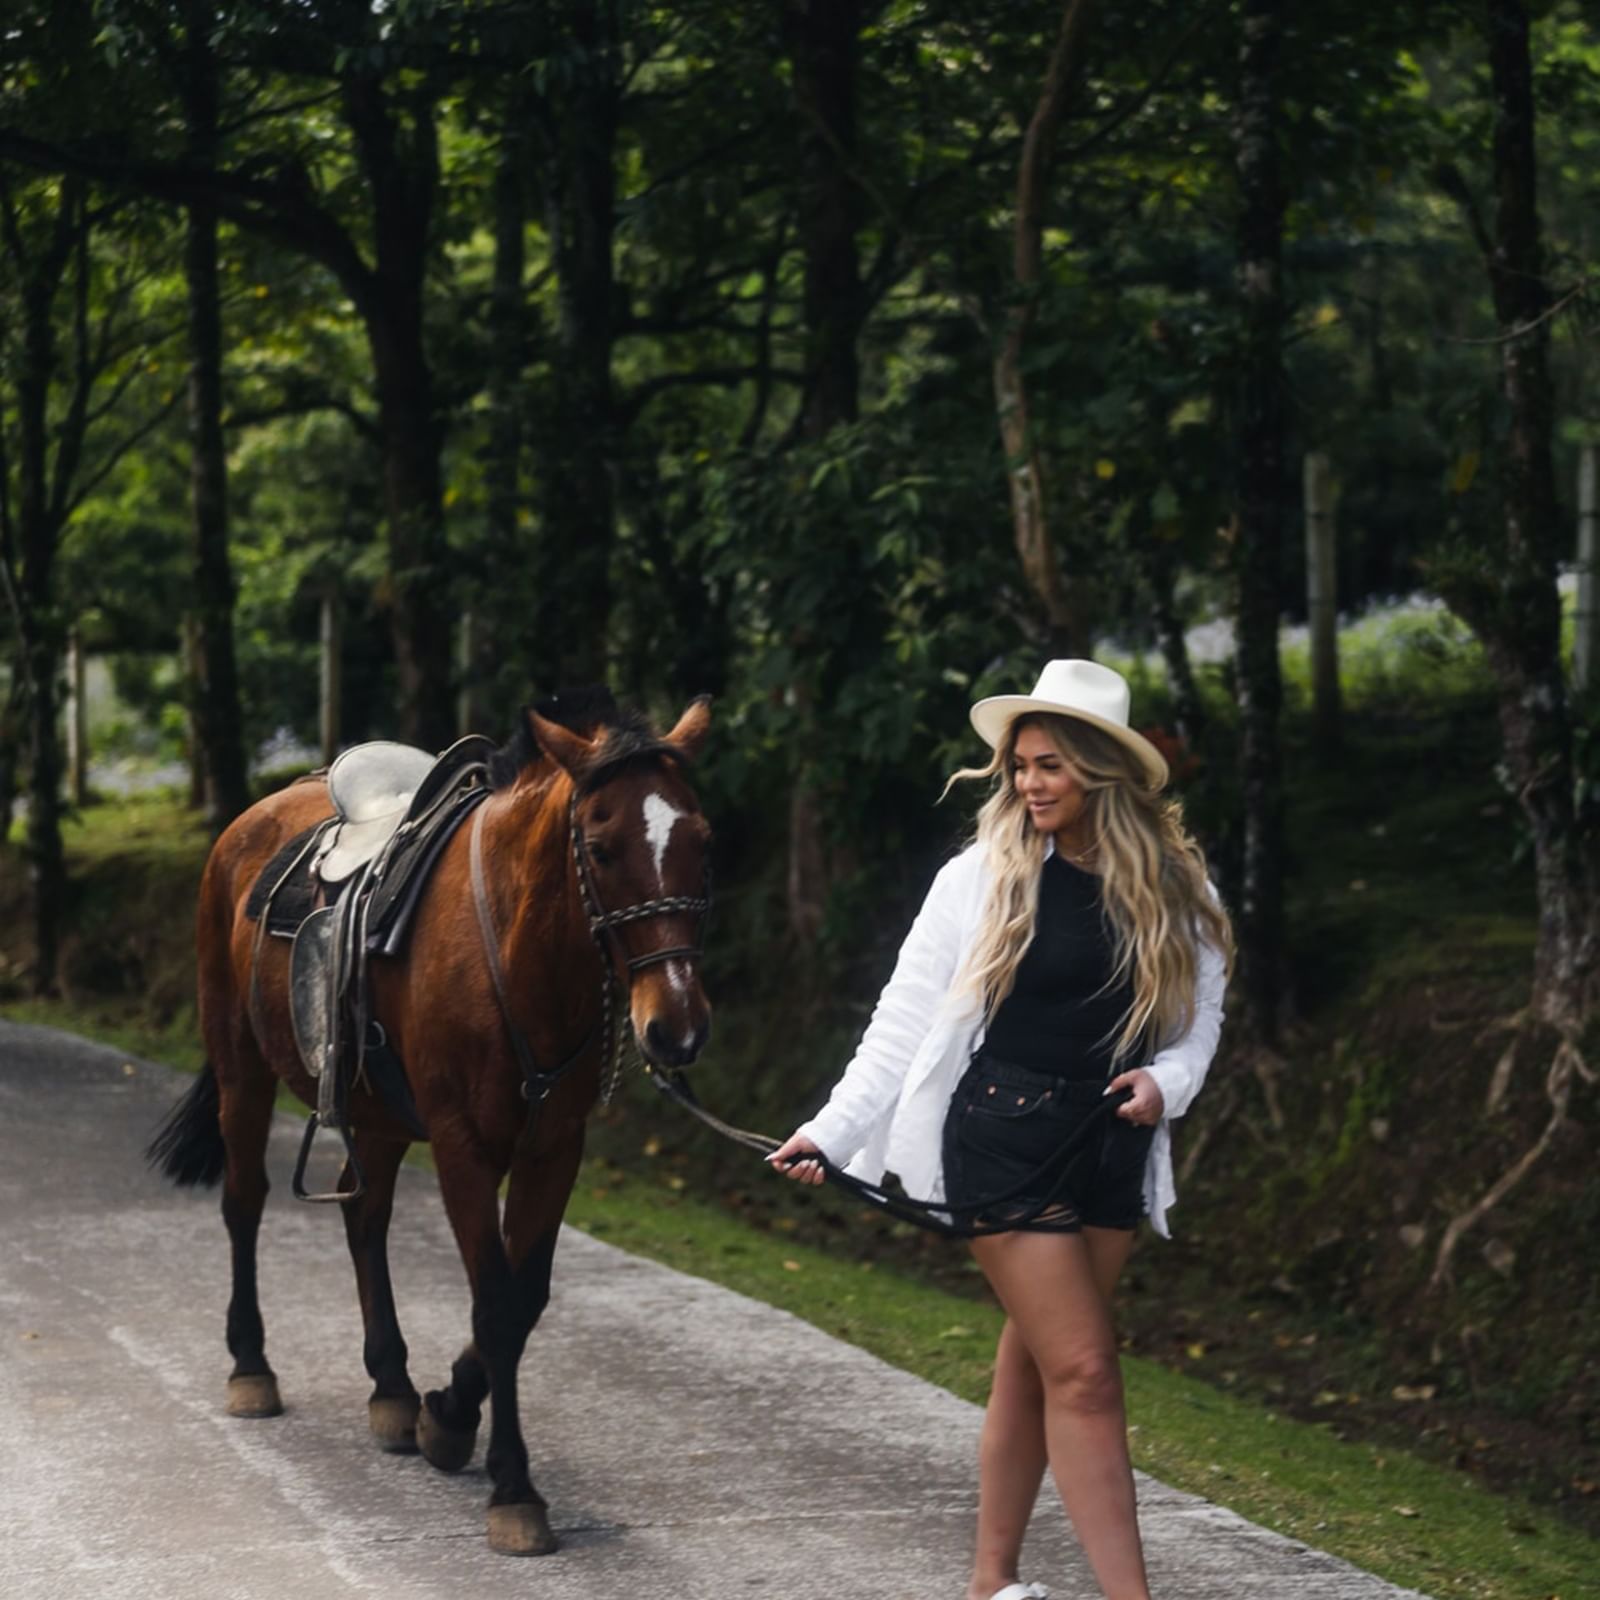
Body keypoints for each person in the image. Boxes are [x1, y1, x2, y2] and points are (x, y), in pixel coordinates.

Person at [768, 659, 1233, 1600]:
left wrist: (1165, 1081)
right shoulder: (981, 877)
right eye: (1020, 765)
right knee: (1089, 1373)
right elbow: (902, 1021)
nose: (1028, 783)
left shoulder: (1179, 887)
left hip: (1111, 1144)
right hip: (1003, 1135)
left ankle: (991, 1585)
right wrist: (830, 1130)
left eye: (1050, 765)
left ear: (1101, 770)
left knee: (1038, 1363)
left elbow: (1201, 1027)